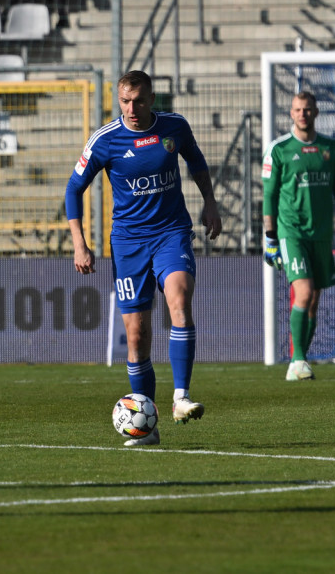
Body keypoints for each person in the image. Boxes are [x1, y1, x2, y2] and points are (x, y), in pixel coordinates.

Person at [66, 70, 222, 446]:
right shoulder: (105, 140)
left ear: (152, 99)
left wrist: (210, 204)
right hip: (129, 244)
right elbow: (74, 190)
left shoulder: (174, 127)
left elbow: (197, 162)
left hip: (171, 234)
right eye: (124, 101)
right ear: (118, 100)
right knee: (137, 336)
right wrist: (79, 244)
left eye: (138, 100)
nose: (131, 108)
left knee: (179, 299)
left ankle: (181, 397)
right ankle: (146, 426)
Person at [262, 91, 335, 381]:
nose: (302, 114)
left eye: (307, 109)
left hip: (321, 235)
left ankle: (302, 360)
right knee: (303, 292)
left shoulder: (330, 148)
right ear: (291, 114)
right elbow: (269, 195)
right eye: (297, 110)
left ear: (316, 112)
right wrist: (269, 237)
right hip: (290, 232)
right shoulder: (279, 150)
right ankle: (297, 359)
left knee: (314, 300)